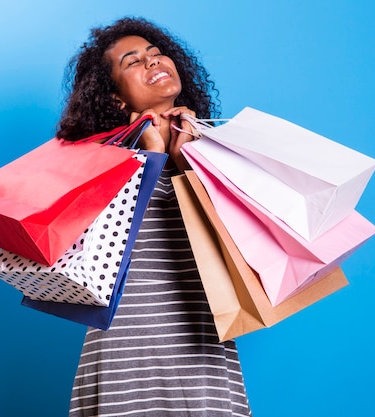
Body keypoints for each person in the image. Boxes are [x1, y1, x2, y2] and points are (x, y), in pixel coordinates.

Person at [56, 17, 252, 417]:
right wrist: (152, 157)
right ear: (116, 100)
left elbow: (241, 252)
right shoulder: (100, 164)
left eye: (156, 53)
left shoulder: (216, 155)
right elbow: (96, 257)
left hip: (202, 345)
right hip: (129, 351)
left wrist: (185, 163)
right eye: (132, 61)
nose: (152, 61)